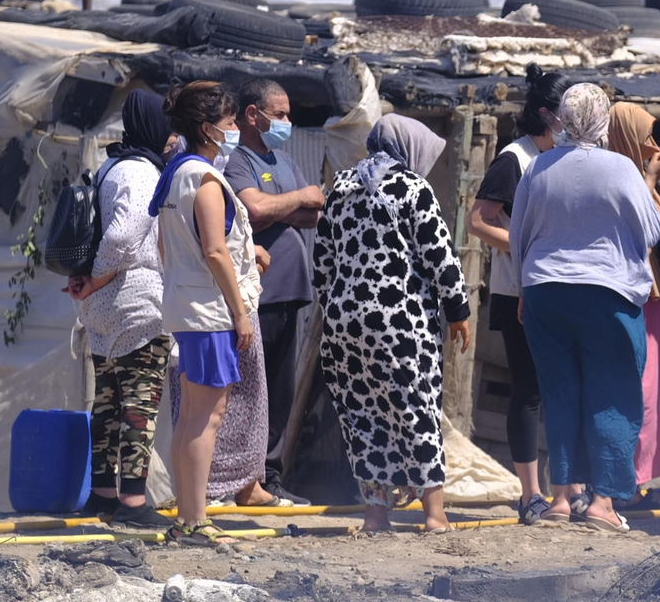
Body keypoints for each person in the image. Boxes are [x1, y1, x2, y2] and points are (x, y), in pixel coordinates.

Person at [510, 83, 660, 533]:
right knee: (613, 394)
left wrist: (525, 291)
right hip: (608, 295)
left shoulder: (538, 167)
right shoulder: (620, 168)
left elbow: (519, 238)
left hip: (544, 292)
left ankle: (561, 499)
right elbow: (652, 228)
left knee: (560, 393)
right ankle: (602, 502)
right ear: (602, 120)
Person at [313, 114, 472, 534]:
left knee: (362, 413)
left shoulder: (341, 188)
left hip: (343, 324)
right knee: (416, 408)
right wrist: (458, 311)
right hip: (399, 324)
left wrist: (339, 306)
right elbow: (439, 256)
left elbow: (322, 263)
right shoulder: (413, 190)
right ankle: (435, 515)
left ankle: (375, 516)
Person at [149, 80, 263, 545]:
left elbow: (164, 244)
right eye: (230, 123)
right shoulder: (206, 179)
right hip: (209, 312)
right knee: (206, 418)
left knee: (191, 416)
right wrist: (239, 312)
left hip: (184, 305)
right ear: (207, 128)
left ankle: (186, 518)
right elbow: (216, 251)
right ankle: (196, 520)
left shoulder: (176, 174)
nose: (234, 130)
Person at [63, 89, 176, 528]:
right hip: (136, 305)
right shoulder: (142, 172)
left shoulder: (110, 166)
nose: (172, 137)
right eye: (167, 127)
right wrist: (100, 276)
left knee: (107, 402)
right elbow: (124, 236)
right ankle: (133, 502)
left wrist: (91, 282)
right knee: (139, 404)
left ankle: (103, 494)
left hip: (103, 310)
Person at [467, 63, 568, 525]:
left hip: (559, 288)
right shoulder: (515, 159)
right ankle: (531, 494)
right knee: (528, 391)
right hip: (516, 290)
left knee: (561, 390)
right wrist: (525, 247)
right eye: (566, 113)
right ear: (547, 113)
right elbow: (477, 221)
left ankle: (567, 490)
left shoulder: (564, 155)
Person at [225, 78, 324, 506]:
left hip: (292, 291)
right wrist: (293, 198)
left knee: (281, 390)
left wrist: (279, 207)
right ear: (253, 114)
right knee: (251, 389)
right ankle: (242, 479)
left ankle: (270, 475)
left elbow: (314, 212)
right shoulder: (237, 161)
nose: (287, 123)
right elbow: (255, 209)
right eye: (280, 114)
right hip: (256, 297)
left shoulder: (282, 160)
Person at [606, 102, 660, 502]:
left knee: (650, 389)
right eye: (643, 137)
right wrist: (649, 178)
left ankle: (640, 479)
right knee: (635, 387)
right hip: (627, 297)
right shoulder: (616, 178)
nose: (652, 145)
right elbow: (634, 220)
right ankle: (624, 481)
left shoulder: (640, 178)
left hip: (652, 297)